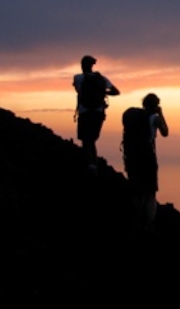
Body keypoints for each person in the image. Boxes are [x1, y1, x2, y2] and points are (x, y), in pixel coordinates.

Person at [122, 93, 169, 229]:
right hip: (148, 157)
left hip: (132, 156)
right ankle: (148, 223)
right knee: (150, 190)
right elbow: (165, 132)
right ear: (156, 105)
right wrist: (161, 114)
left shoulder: (132, 116)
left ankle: (135, 220)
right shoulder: (154, 118)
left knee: (136, 189)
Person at [72, 55, 120, 170]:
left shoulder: (77, 78)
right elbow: (116, 92)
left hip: (85, 111)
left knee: (86, 139)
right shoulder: (101, 78)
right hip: (99, 112)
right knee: (92, 139)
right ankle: (94, 163)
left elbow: (79, 91)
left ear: (82, 65)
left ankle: (90, 164)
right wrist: (102, 92)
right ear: (92, 65)